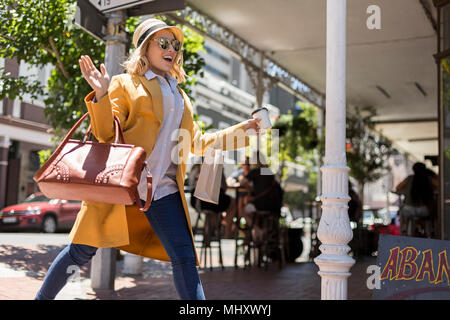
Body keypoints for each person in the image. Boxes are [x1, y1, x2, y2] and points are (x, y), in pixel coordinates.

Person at [35, 18, 261, 300]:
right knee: (81, 251)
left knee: (184, 257)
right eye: (163, 43)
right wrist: (102, 95)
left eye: (175, 45)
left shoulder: (181, 97)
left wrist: (245, 129)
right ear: (145, 48)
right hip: (117, 185)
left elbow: (200, 143)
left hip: (161, 190)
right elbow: (105, 133)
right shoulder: (125, 83)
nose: (171, 50)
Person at [395, 162, 438, 237]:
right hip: (424, 210)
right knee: (430, 214)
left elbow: (397, 187)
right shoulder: (428, 179)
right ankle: (429, 233)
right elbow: (439, 185)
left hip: (409, 210)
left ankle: (405, 229)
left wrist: (406, 189)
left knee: (403, 210)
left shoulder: (409, 178)